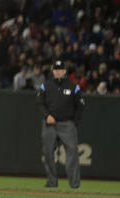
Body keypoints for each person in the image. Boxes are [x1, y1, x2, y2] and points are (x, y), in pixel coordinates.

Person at [37, 58, 84, 189]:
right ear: (53, 71)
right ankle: (52, 182)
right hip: (49, 125)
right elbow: (40, 103)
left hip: (67, 124)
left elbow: (80, 106)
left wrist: (74, 123)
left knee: (72, 153)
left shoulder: (73, 86)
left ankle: (74, 184)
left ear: (64, 71)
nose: (58, 72)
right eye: (56, 69)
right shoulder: (45, 85)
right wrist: (47, 116)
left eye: (60, 69)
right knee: (47, 154)